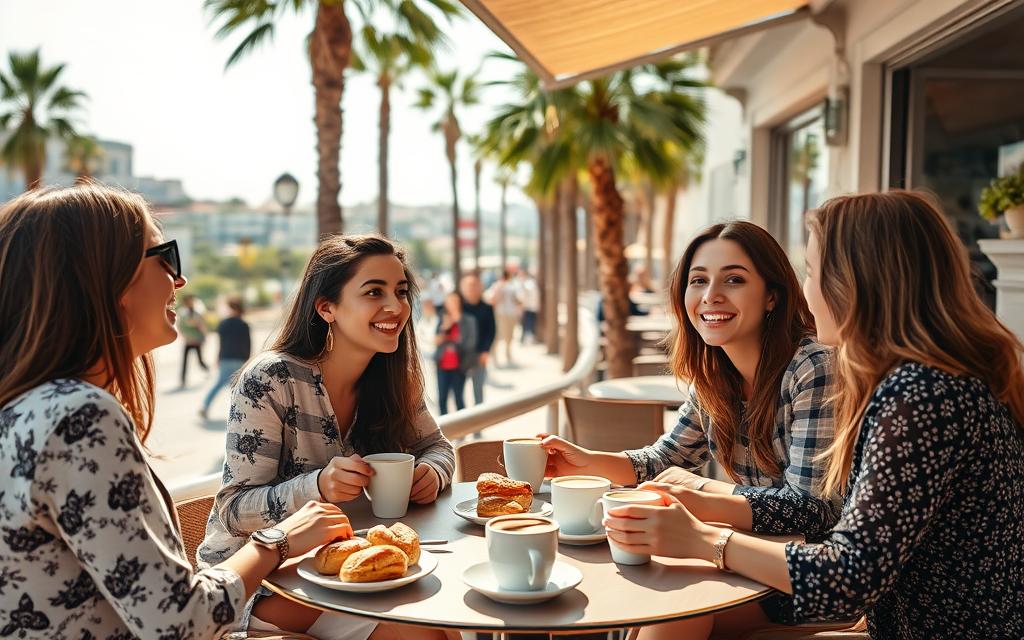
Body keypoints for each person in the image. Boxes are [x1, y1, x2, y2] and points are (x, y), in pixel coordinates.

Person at [608, 192, 1024, 639]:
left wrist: (701, 538)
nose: (805, 291)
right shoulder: (936, 382)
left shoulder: (921, 397)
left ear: (858, 281)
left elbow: (848, 574)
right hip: (898, 621)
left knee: (674, 611)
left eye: (811, 271)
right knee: (672, 613)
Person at [0, 183, 353, 639]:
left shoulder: (27, 410)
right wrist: (278, 540)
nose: (178, 280)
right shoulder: (79, 418)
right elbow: (179, 622)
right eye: (164, 257)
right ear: (108, 280)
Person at [543, 220, 840, 635]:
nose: (711, 295)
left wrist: (699, 497)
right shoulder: (716, 375)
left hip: (809, 577)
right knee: (643, 600)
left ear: (772, 296)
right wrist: (586, 463)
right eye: (698, 280)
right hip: (747, 560)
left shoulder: (812, 367)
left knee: (673, 607)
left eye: (733, 279)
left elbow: (813, 510)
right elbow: (664, 460)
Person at [197, 234, 455, 638]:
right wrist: (317, 486)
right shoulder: (270, 379)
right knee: (429, 634)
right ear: (326, 307)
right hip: (257, 585)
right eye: (374, 291)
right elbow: (234, 508)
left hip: (350, 569)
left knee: (444, 624)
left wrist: (432, 472)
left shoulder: (393, 379)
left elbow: (436, 447)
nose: (395, 307)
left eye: (401, 292)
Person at [199, 295, 252, 419]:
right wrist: (247, 359)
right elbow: (248, 344)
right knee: (238, 387)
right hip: (239, 358)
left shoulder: (223, 323)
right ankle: (241, 412)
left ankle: (205, 406)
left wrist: (218, 358)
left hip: (225, 357)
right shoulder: (243, 324)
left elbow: (220, 343)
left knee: (220, 384)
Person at [434, 291, 478, 415]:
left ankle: (461, 430)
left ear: (459, 302)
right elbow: (436, 341)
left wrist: (454, 342)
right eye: (449, 301)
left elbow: (471, 343)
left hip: (459, 366)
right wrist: (445, 328)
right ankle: (443, 430)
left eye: (454, 301)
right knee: (442, 399)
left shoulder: (469, 320)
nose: (452, 304)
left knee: (459, 398)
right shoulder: (442, 318)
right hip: (442, 365)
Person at [459, 273, 495, 405]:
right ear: (463, 289)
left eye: (475, 286)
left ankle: (479, 422)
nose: (472, 289)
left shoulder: (487, 308)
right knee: (459, 392)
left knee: (478, 390)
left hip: (480, 354)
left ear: (481, 288)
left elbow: (491, 331)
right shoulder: (459, 308)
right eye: (469, 286)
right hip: (461, 355)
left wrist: (486, 351)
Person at [488, 268, 522, 367]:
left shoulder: (511, 286)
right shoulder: (498, 286)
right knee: (499, 335)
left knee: (508, 335)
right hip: (501, 314)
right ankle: (496, 357)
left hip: (508, 313)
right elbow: (492, 300)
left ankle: (506, 355)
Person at [178, 293, 209, 387]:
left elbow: (202, 326)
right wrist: (184, 336)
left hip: (197, 340)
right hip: (188, 340)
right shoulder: (183, 313)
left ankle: (207, 370)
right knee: (185, 360)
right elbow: (180, 326)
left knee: (200, 360)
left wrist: (204, 337)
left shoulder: (197, 313)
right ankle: (183, 380)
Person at [517, 269, 540, 344]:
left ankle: (527, 339)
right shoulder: (530, 283)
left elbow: (522, 296)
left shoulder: (528, 283)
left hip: (529, 307)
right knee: (528, 324)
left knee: (528, 324)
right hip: (530, 307)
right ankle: (526, 339)